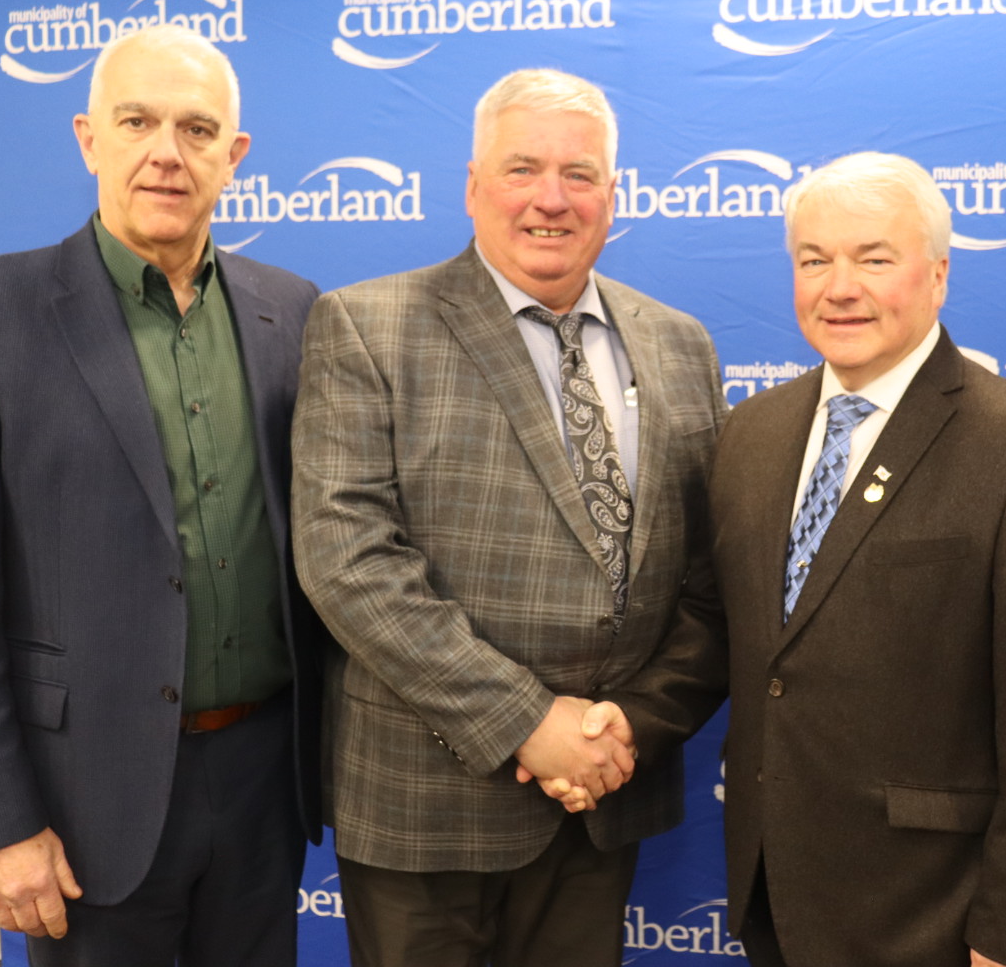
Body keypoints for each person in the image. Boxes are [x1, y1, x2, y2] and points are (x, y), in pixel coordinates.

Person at [555, 152, 1006, 967]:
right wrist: (632, 722)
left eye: (874, 259)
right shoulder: (753, 434)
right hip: (775, 895)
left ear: (938, 275)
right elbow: (723, 627)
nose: (839, 287)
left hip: (937, 913)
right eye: (814, 260)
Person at [290, 67, 726, 967]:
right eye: (522, 169)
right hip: (425, 805)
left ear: (613, 193)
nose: (550, 199)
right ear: (473, 186)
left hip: (602, 797)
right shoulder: (366, 325)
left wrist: (623, 731)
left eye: (578, 174)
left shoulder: (681, 345)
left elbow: (712, 574)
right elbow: (349, 560)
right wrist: (531, 723)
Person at [0, 23, 323, 966]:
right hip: (82, 800)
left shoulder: (295, 311)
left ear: (233, 155)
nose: (166, 153)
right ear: (88, 139)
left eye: (197, 129)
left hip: (264, 783)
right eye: (137, 121)